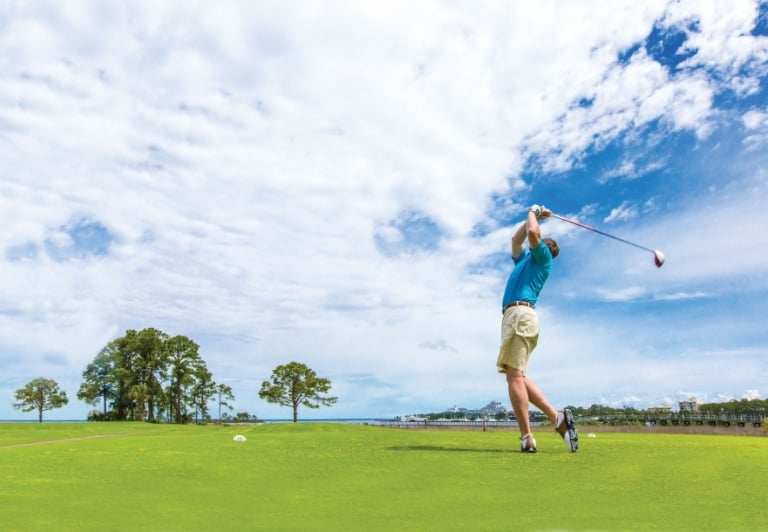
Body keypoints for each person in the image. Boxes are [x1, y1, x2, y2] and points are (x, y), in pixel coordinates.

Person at [496, 204, 578, 453]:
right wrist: (534, 216)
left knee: (514, 377)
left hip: (520, 315)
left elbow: (532, 234)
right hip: (516, 316)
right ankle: (557, 418)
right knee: (517, 375)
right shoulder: (524, 260)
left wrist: (533, 212)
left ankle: (527, 437)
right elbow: (515, 239)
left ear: (543, 248)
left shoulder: (542, 258)